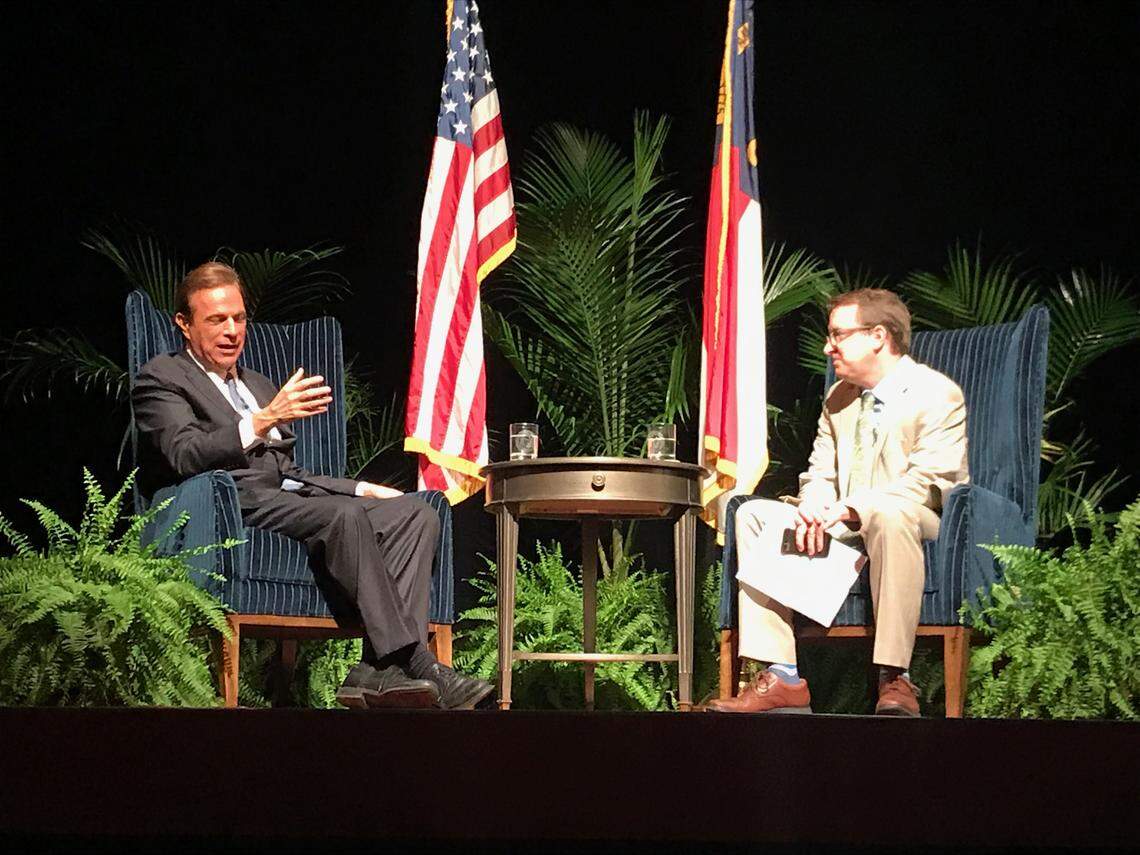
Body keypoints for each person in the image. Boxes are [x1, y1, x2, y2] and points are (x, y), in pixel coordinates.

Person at [133, 261, 493, 710]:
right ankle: (415, 660)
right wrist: (264, 420)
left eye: (239, 318)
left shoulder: (258, 385)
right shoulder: (162, 377)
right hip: (227, 502)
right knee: (342, 517)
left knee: (415, 512)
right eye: (216, 319)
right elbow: (184, 454)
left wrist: (360, 489)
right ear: (184, 325)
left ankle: (375, 672)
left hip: (283, 499)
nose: (231, 331)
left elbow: (289, 472)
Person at [708, 289, 968, 717]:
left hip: (910, 518)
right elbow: (819, 473)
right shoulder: (838, 400)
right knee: (753, 514)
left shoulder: (936, 393)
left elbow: (929, 483)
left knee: (887, 513)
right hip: (841, 523)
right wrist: (812, 505)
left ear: (878, 336)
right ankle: (783, 676)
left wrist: (853, 509)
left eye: (838, 335)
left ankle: (894, 677)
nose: (828, 347)